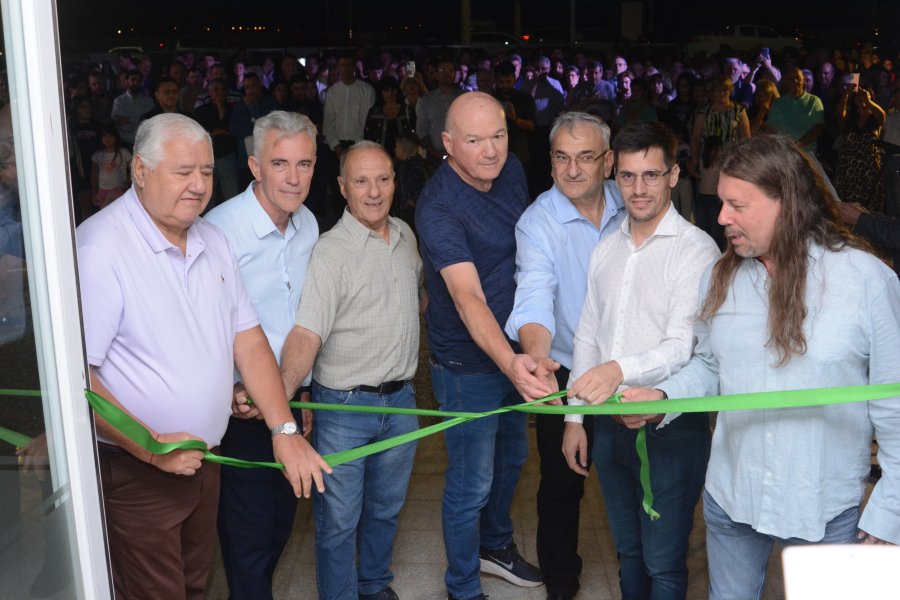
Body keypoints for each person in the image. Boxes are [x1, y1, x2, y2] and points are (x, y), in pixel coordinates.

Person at [624, 133, 900, 599]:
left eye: (737, 205)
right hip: (732, 495)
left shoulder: (868, 282)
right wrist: (664, 397)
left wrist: (891, 511)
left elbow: (894, 408)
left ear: (786, 202)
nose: (721, 216)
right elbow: (712, 366)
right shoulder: (720, 277)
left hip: (824, 506)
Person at [76, 113, 330, 600]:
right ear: (141, 171)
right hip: (137, 467)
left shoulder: (211, 241)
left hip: (203, 458)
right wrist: (152, 446)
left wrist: (284, 429)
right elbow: (77, 378)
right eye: (183, 172)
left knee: (196, 583)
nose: (198, 186)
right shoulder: (101, 248)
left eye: (208, 172)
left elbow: (249, 340)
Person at [561, 122, 719, 600]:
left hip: (669, 426)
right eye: (627, 177)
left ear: (674, 175)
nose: (639, 188)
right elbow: (588, 333)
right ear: (614, 176)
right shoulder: (606, 247)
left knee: (664, 563)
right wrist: (574, 418)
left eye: (651, 175)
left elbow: (682, 346)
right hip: (609, 425)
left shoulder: (696, 250)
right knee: (628, 553)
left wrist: (618, 370)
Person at [416, 92, 550, 600]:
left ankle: (495, 547)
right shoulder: (439, 206)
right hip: (467, 362)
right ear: (448, 144)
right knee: (471, 481)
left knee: (513, 458)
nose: (491, 150)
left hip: (514, 350)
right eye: (474, 141)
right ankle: (462, 586)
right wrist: (509, 362)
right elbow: (467, 296)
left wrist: (525, 349)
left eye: (498, 135)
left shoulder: (511, 169)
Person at [281, 141, 421, 600]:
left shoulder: (405, 235)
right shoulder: (331, 252)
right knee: (338, 521)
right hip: (344, 407)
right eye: (361, 181)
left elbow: (416, 299)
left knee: (386, 509)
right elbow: (306, 335)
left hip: (401, 403)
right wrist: (277, 399)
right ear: (343, 188)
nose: (374, 191)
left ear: (394, 182)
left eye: (383, 178)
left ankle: (375, 586)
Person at [504, 112, 626, 600]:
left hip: (632, 366)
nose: (572, 169)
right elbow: (533, 296)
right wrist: (537, 360)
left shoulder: (632, 203)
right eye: (561, 157)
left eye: (585, 157)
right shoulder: (538, 222)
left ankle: (644, 572)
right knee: (561, 484)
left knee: (639, 476)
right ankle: (560, 581)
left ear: (609, 162)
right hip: (565, 368)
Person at [204, 111, 320, 600]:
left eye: (305, 164)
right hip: (241, 406)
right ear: (254, 166)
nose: (294, 178)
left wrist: (306, 390)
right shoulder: (220, 232)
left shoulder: (309, 224)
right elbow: (203, 325)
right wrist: (228, 385)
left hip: (290, 399)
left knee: (281, 520)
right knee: (247, 533)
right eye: (280, 163)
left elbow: (302, 319)